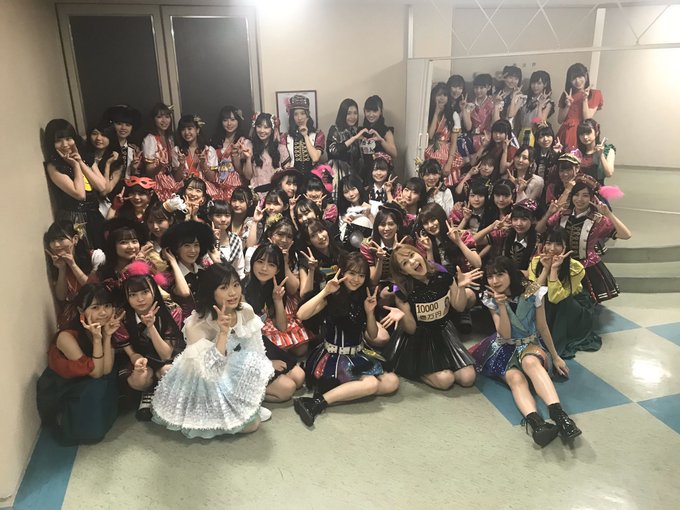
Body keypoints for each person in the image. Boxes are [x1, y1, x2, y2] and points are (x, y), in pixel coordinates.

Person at [151, 263, 274, 438]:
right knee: (251, 425)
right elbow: (210, 372)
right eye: (224, 287)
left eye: (236, 285)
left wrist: (254, 381)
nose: (232, 293)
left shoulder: (245, 310)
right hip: (203, 375)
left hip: (231, 364)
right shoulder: (197, 324)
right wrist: (223, 333)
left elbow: (255, 350)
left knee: (254, 368)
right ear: (211, 291)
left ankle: (244, 406)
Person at [470, 256, 581, 447]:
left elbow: (543, 327)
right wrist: (502, 306)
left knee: (530, 362)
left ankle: (560, 417)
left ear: (510, 274)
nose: (495, 281)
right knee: (515, 378)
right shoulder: (490, 298)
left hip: (530, 343)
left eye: (500, 274)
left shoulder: (532, 292)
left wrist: (555, 357)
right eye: (490, 276)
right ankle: (536, 424)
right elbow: (504, 335)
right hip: (503, 347)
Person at [294, 253, 400, 426]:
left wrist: (370, 312)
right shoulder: (332, 295)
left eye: (361, 275)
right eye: (352, 273)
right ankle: (316, 403)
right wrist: (325, 291)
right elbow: (301, 314)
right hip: (333, 358)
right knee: (372, 384)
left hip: (358, 354)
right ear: (342, 272)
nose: (356, 279)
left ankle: (339, 392)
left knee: (392, 382)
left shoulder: (363, 296)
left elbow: (373, 335)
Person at [383, 244, 480, 390]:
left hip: (443, 330)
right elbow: (411, 329)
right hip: (418, 337)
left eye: (412, 255)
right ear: (403, 271)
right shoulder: (403, 290)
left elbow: (459, 307)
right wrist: (402, 316)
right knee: (446, 380)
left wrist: (460, 287)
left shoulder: (442, 274)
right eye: (405, 263)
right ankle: (418, 370)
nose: (412, 262)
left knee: (468, 378)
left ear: (419, 253)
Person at [36, 284, 122, 444]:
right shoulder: (67, 336)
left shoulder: (104, 328)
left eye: (107, 306)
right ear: (81, 311)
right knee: (97, 385)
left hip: (89, 379)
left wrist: (107, 336)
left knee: (108, 378)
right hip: (63, 386)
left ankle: (94, 422)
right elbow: (96, 373)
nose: (103, 312)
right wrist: (97, 339)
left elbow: (106, 370)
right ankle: (73, 425)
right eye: (95, 307)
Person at [536, 175, 632, 303]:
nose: (579, 199)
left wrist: (608, 214)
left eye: (585, 195)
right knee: (557, 299)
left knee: (583, 302)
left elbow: (626, 235)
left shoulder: (598, 220)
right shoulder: (563, 214)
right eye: (576, 195)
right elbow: (539, 229)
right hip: (561, 265)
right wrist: (549, 213)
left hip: (587, 268)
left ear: (592, 198)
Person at [114, 266, 184, 420]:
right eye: (133, 295)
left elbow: (166, 354)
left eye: (145, 292)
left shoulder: (172, 310)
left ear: (154, 290)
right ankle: (148, 390)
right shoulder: (121, 316)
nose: (140, 299)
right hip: (139, 357)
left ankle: (157, 393)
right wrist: (137, 360)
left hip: (165, 357)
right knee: (139, 379)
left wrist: (151, 326)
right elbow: (130, 352)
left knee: (168, 371)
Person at [528, 227, 602, 358]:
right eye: (548, 243)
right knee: (537, 302)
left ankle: (554, 344)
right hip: (546, 300)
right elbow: (531, 293)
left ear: (565, 246)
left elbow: (556, 298)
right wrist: (545, 269)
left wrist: (554, 270)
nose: (552, 248)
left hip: (571, 304)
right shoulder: (535, 262)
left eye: (558, 244)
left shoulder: (576, 267)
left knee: (559, 303)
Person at [44, 118, 108, 248]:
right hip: (74, 218)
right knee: (86, 253)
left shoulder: (85, 157)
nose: (65, 144)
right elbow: (80, 195)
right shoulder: (54, 166)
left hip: (94, 213)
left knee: (103, 251)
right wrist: (75, 166)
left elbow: (102, 186)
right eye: (58, 140)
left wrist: (80, 162)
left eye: (69, 138)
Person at [244, 243, 312, 356]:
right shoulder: (243, 287)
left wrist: (278, 300)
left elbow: (282, 327)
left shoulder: (276, 288)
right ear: (252, 263)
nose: (264, 268)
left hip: (262, 336)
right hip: (247, 339)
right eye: (260, 262)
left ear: (277, 270)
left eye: (271, 264)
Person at [44, 221, 92, 329]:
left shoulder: (93, 257)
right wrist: (62, 269)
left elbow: (91, 288)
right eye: (52, 240)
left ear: (75, 239)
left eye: (61, 239)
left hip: (94, 310)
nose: (56, 245)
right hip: (72, 316)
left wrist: (72, 265)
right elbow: (61, 297)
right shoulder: (54, 263)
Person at [557, 63, 603, 149]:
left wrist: (585, 99)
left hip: (582, 133)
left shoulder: (595, 94)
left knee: (580, 156)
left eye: (580, 76)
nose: (577, 81)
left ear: (586, 76)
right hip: (565, 132)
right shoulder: (566, 95)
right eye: (573, 78)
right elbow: (560, 120)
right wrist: (567, 106)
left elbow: (587, 119)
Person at [172, 114, 219, 198]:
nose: (186, 132)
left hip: (204, 190)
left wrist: (203, 164)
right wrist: (181, 165)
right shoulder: (177, 150)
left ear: (197, 130)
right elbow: (177, 179)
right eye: (183, 129)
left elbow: (212, 178)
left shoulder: (209, 150)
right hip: (184, 189)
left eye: (190, 128)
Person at [211, 105, 250, 200]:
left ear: (238, 121)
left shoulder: (243, 142)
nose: (229, 123)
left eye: (233, 120)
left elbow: (242, 172)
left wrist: (235, 155)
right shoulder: (215, 141)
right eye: (225, 120)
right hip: (218, 183)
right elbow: (213, 167)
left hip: (237, 183)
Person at [424, 82, 460, 185]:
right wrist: (436, 113)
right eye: (439, 94)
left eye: (445, 95)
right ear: (433, 96)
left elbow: (454, 142)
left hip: (446, 153)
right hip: (431, 150)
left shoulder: (454, 115)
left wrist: (449, 163)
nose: (442, 98)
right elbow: (430, 136)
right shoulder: (427, 114)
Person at [140, 102, 177, 201]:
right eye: (159, 117)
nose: (164, 120)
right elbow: (149, 172)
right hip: (156, 183)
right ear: (153, 119)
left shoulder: (170, 138)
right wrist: (160, 166)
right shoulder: (150, 139)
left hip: (170, 179)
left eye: (167, 117)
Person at [280, 95, 325, 175]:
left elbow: (315, 158)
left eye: (302, 113)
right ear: (292, 117)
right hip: (293, 177)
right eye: (296, 114)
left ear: (307, 115)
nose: (299, 118)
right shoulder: (285, 137)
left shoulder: (318, 134)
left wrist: (305, 135)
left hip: (313, 177)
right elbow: (285, 164)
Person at [359, 95, 397, 182]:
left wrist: (381, 140)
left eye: (375, 111)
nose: (371, 114)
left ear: (381, 111)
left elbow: (394, 154)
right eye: (368, 111)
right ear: (364, 111)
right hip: (364, 172)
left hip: (381, 172)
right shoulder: (360, 131)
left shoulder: (386, 131)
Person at [247, 112, 288, 193]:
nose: (262, 130)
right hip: (257, 193)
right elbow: (248, 176)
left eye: (266, 127)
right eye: (259, 126)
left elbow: (288, 173)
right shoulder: (249, 146)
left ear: (272, 129)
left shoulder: (281, 148)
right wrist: (248, 158)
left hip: (276, 194)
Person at [326, 98, 365, 176]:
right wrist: (353, 139)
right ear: (343, 114)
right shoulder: (334, 129)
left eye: (355, 113)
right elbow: (333, 151)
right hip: (338, 174)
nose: (352, 117)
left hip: (354, 175)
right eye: (348, 113)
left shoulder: (355, 131)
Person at [515, 71, 554, 147]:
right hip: (520, 132)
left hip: (534, 133)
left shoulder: (548, 102)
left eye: (539, 83)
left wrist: (532, 120)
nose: (535, 86)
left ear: (545, 84)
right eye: (533, 83)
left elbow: (540, 121)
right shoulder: (526, 98)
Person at [576, 118, 615, 184]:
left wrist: (601, 155)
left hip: (598, 188)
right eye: (581, 134)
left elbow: (609, 174)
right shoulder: (576, 152)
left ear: (596, 132)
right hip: (579, 188)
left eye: (588, 133)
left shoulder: (608, 150)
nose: (585, 137)